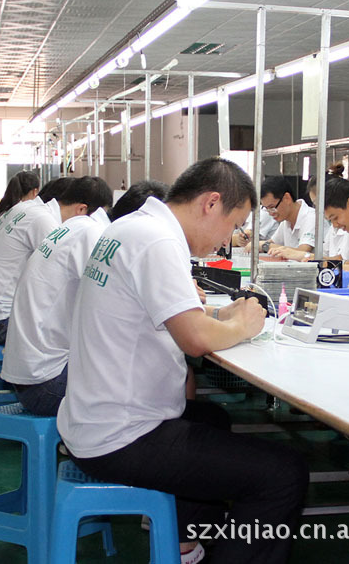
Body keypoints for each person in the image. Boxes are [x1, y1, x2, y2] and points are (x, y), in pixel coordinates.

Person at [57, 158, 309, 564]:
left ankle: (184, 546)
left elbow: (166, 314)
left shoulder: (131, 227)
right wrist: (243, 324)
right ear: (211, 203)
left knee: (211, 420)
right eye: (233, 224)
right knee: (282, 475)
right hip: (120, 435)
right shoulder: (158, 241)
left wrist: (219, 318)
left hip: (92, 416)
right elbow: (194, 340)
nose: (228, 240)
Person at [0, 177, 113, 415]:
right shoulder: (89, 230)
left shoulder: (65, 229)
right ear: (85, 209)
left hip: (28, 376)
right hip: (45, 386)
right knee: (135, 378)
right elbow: (110, 298)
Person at [0, 176, 95, 344]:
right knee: (77, 341)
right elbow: (61, 273)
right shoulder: (43, 220)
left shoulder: (26, 208)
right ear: (81, 209)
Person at [255, 176, 315, 258]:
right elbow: (272, 242)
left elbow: (302, 252)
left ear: (287, 198)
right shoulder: (285, 221)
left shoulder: (311, 217)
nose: (270, 213)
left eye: (272, 207)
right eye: (266, 209)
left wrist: (265, 245)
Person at [231, 179, 279, 248]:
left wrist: (238, 239)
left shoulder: (263, 213)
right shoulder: (234, 215)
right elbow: (223, 239)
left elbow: (247, 235)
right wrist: (236, 239)